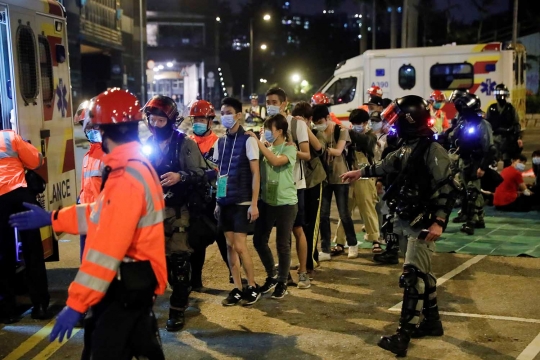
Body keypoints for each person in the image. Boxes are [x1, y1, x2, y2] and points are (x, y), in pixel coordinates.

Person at [10, 88, 166, 359]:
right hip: (134, 285)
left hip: (124, 288)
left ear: (104, 129)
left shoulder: (126, 175)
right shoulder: (135, 166)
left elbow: (106, 249)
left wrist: (76, 304)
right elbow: (100, 214)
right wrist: (52, 218)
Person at [341, 95, 458, 357]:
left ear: (409, 120)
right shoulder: (411, 146)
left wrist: (439, 222)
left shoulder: (432, 150)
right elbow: (387, 164)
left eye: (397, 118)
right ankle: (432, 322)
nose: (392, 124)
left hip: (425, 222)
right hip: (411, 218)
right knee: (423, 274)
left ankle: (403, 336)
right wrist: (361, 172)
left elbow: (448, 189)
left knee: (412, 276)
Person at [142, 95, 209, 331]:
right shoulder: (147, 143)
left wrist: (181, 176)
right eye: (152, 119)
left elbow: (203, 173)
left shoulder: (185, 144)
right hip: (152, 213)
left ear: (170, 121)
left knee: (179, 262)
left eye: (161, 120)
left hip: (179, 212)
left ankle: (177, 310)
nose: (156, 124)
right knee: (152, 264)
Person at [213, 97, 261, 306]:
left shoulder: (249, 140)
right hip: (225, 202)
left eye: (229, 112)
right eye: (222, 112)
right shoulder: (220, 142)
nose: (225, 116)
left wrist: (254, 203)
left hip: (242, 201)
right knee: (230, 246)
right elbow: (219, 173)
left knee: (241, 246)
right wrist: (217, 200)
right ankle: (238, 288)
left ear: (239, 114)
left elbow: (256, 173)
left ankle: (252, 286)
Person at [0, 130, 50, 323]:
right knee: (32, 250)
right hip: (19, 194)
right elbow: (37, 161)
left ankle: (8, 309)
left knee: (4, 253)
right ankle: (40, 305)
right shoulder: (9, 137)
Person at [264, 88, 311, 290]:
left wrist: (288, 149)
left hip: (294, 184)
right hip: (274, 187)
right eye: (267, 101)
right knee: (279, 234)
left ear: (284, 103)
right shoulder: (267, 127)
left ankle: (303, 272)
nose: (270, 104)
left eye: (274, 101)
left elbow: (307, 154)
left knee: (297, 229)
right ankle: (285, 273)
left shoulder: (296, 123)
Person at [248, 114, 298, 299]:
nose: (267, 132)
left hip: (286, 203)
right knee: (259, 240)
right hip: (267, 201)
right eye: (265, 128)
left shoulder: (290, 149)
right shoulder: (265, 149)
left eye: (270, 129)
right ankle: (272, 275)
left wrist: (259, 142)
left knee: (282, 244)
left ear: (280, 131)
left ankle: (283, 281)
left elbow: (276, 161)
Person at [187, 100, 231, 286]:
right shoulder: (187, 143)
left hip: (214, 198)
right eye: (195, 119)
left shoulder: (218, 143)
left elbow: (224, 174)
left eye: (201, 119)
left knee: (224, 238)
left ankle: (234, 274)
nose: (197, 122)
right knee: (197, 242)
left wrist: (221, 198)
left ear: (210, 122)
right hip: (195, 199)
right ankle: (195, 280)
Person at [312, 105, 359, 260]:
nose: (319, 124)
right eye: (316, 121)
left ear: (328, 117)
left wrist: (320, 148)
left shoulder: (341, 130)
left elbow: (338, 151)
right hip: (323, 177)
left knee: (344, 213)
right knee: (323, 214)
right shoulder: (315, 131)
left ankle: (352, 244)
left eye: (320, 121)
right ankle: (325, 250)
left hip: (340, 176)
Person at [450, 93, 496, 235]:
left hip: (477, 161)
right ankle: (479, 218)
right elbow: (453, 136)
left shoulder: (483, 124)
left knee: (473, 192)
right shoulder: (464, 122)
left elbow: (490, 148)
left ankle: (471, 222)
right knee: (466, 191)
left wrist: (482, 166)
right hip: (464, 160)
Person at [335, 109, 380, 253]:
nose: (355, 126)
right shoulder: (348, 135)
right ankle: (340, 241)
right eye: (353, 123)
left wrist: (346, 131)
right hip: (348, 177)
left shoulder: (370, 136)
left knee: (368, 210)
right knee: (345, 211)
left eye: (358, 123)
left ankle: (375, 240)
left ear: (366, 123)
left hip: (365, 178)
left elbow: (365, 143)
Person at [291, 102, 325, 278]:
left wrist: (305, 128)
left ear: (309, 119)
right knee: (301, 224)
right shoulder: (292, 130)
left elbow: (319, 148)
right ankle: (306, 258)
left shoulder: (315, 131)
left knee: (312, 223)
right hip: (299, 182)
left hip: (314, 181)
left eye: (303, 119)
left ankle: (311, 263)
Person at [76, 103, 105, 261]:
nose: (91, 131)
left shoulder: (111, 154)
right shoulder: (89, 155)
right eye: (88, 127)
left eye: (95, 126)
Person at [486, 84, 523, 168]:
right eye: (498, 93)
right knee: (492, 160)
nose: (500, 95)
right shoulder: (492, 108)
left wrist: (519, 138)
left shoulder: (510, 108)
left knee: (507, 161)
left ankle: (506, 178)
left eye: (502, 93)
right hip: (495, 138)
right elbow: (487, 123)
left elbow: (516, 123)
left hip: (507, 138)